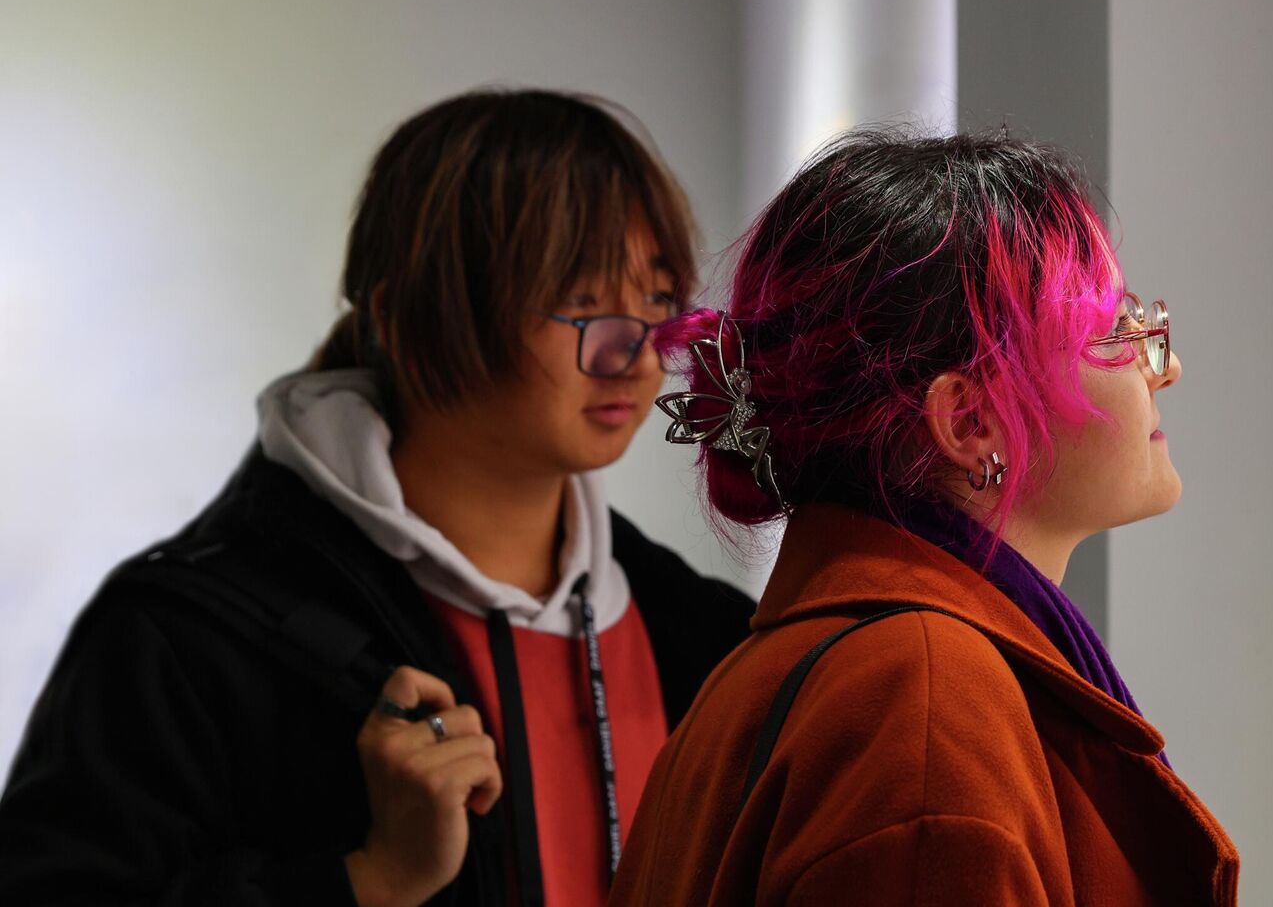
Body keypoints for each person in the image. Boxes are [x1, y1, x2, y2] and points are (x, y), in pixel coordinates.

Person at [0, 89, 755, 906]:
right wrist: (367, 881)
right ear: (410, 318)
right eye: (582, 304)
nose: (636, 356)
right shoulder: (187, 637)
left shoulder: (706, 637)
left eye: (658, 301)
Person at [611, 130, 1239, 905]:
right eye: (1111, 331)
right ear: (970, 420)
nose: (1163, 367)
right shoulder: (928, 703)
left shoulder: (791, 669)